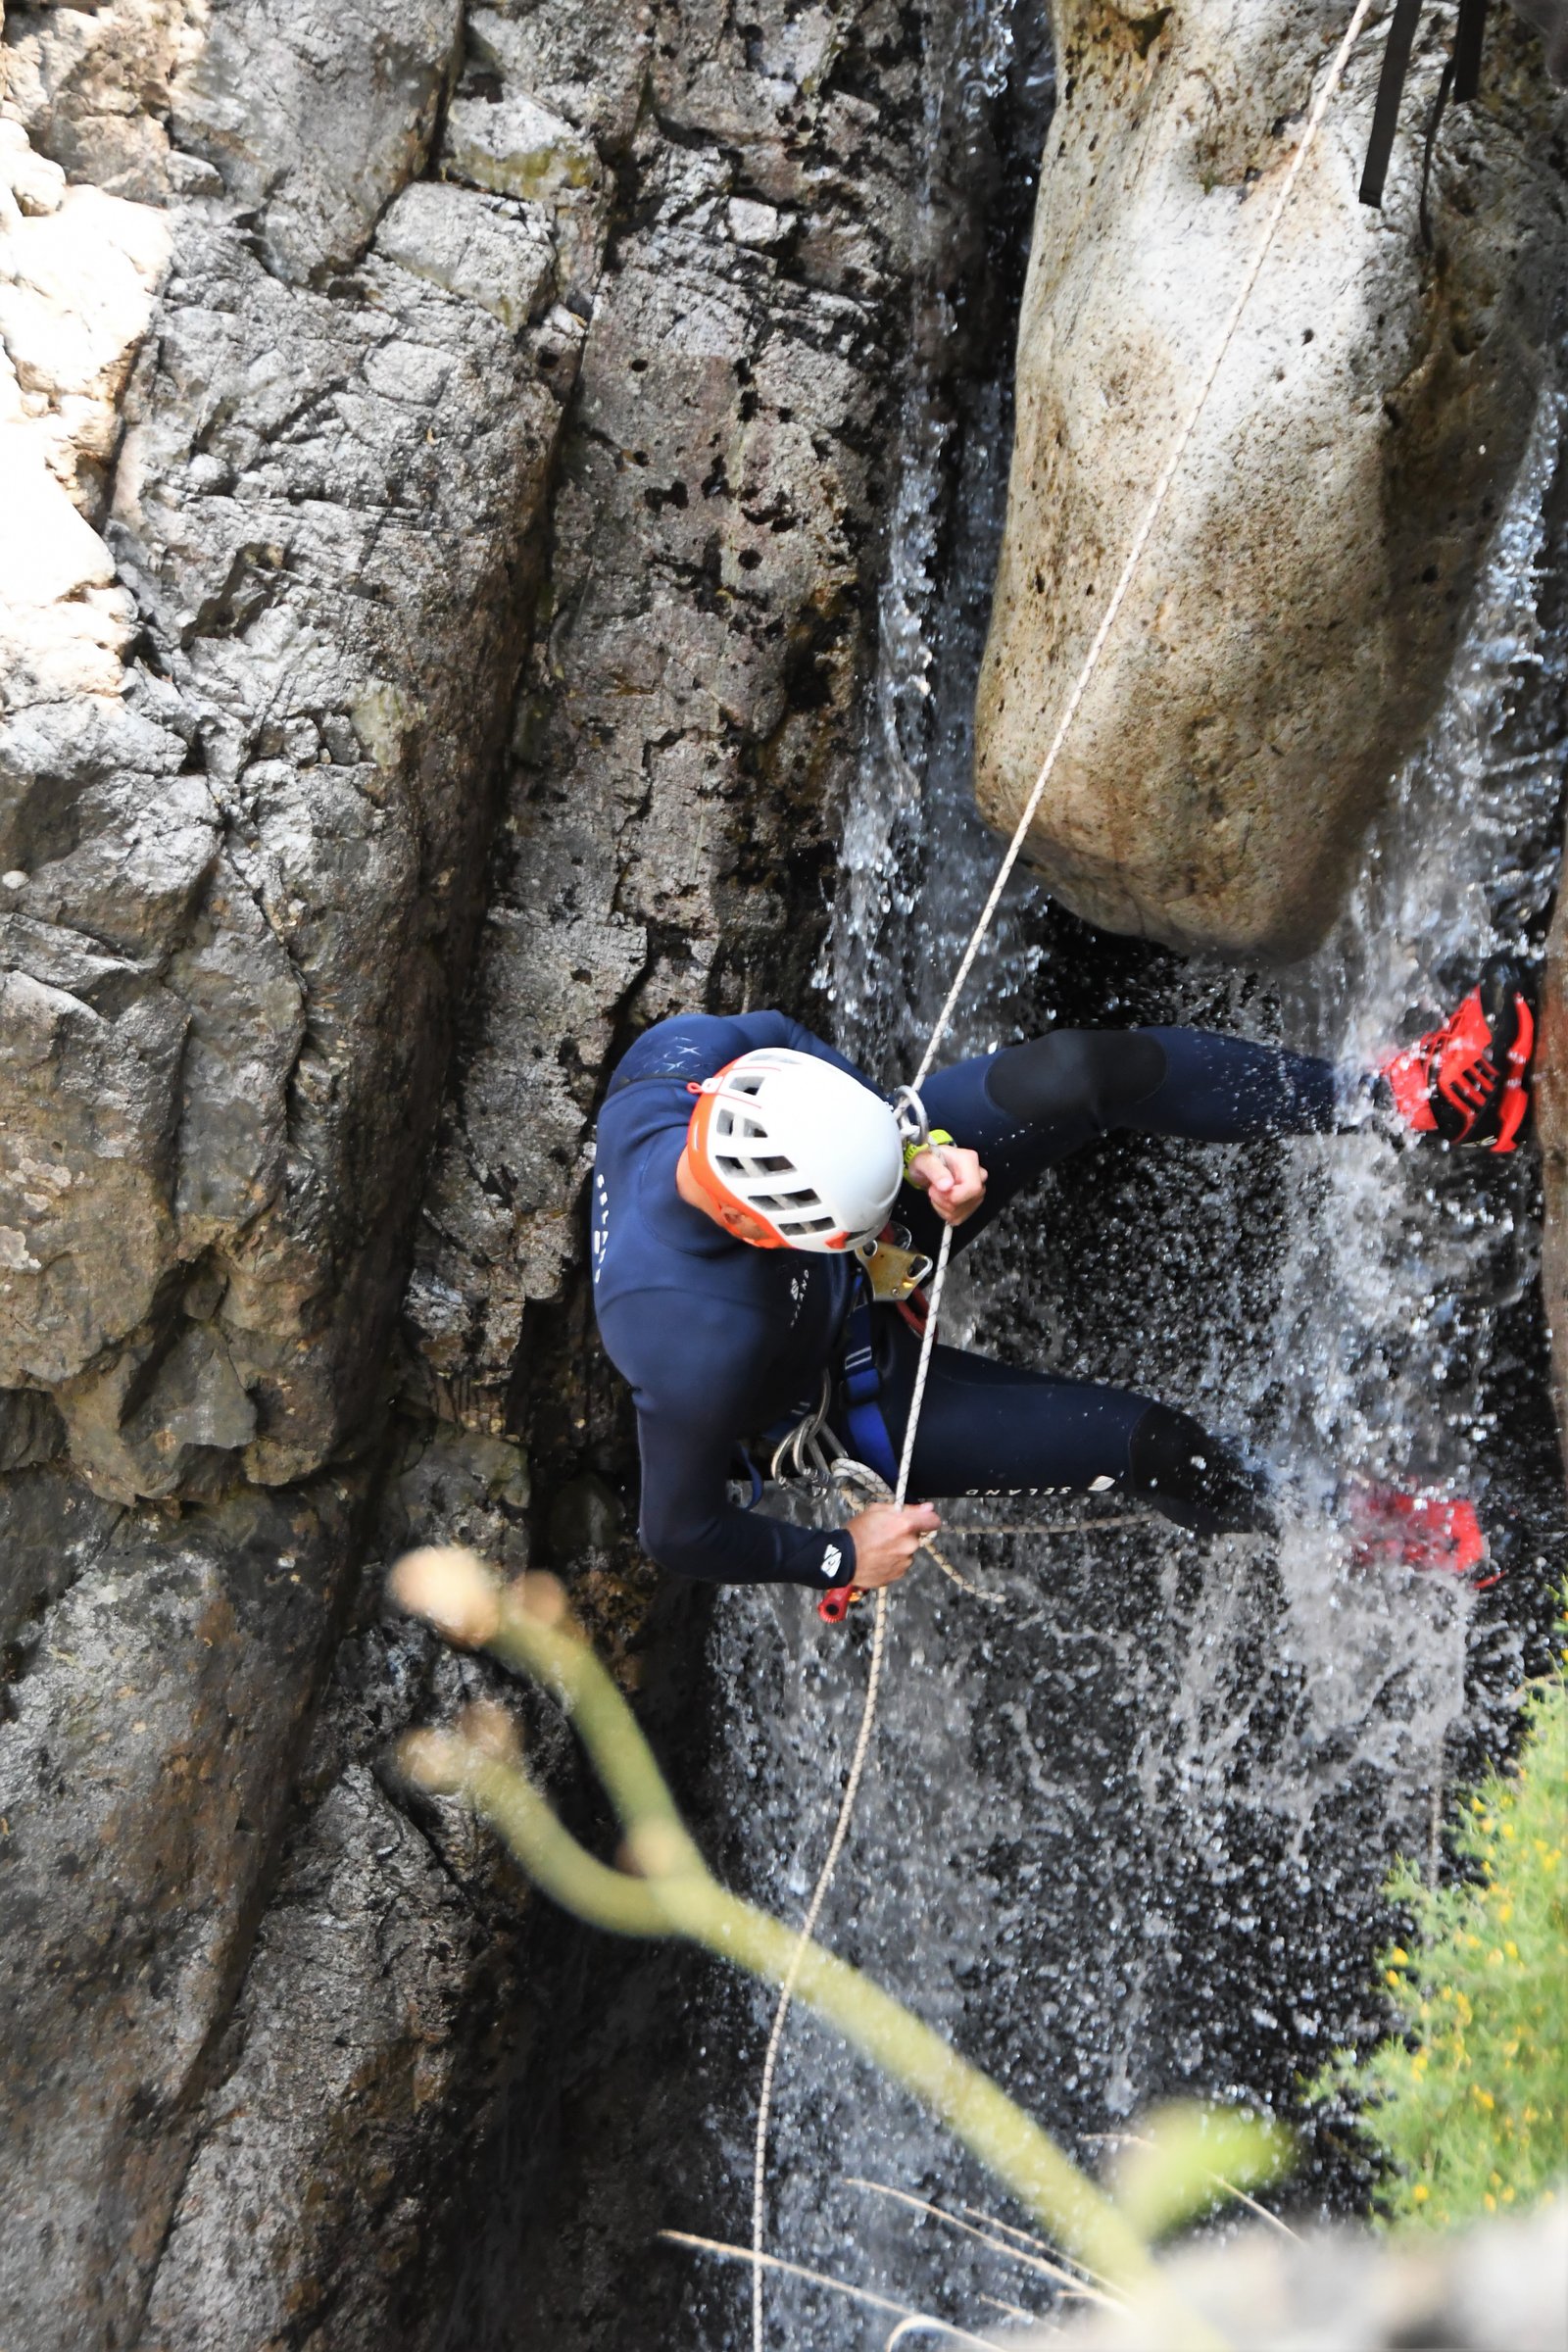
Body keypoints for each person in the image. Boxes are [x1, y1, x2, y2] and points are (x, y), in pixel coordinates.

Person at [588, 961, 1534, 1603]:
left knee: (1078, 1070)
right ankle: (1367, 1524)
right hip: (844, 1390)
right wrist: (838, 1555)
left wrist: (911, 1151)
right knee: (1150, 1446)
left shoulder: (677, 1066)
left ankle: (1410, 1097)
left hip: (851, 1235)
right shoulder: (686, 1337)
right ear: (762, 1229)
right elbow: (677, 1528)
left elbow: (787, 1034)